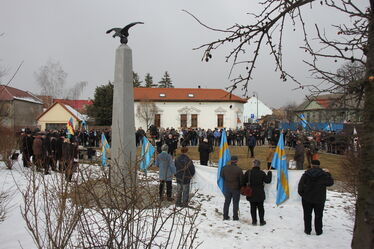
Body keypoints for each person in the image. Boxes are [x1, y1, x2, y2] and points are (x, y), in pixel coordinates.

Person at [298, 160, 334, 235]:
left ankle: (307, 230)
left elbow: (300, 187)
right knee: (319, 215)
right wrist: (328, 173)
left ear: (311, 165)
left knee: (307, 215)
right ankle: (319, 231)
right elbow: (330, 183)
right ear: (319, 165)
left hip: (307, 199)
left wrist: (304, 195)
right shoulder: (324, 174)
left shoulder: (306, 174)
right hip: (319, 199)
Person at [244, 159, 272, 225]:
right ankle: (262, 221)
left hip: (251, 193)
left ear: (253, 164)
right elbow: (268, 181)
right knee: (261, 208)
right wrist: (269, 173)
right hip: (260, 193)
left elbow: (243, 181)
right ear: (259, 165)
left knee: (252, 207)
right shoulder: (262, 173)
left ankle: (254, 221)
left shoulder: (248, 172)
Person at [220, 155, 243, 221]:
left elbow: (222, 175)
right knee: (235, 203)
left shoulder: (224, 168)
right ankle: (235, 217)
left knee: (227, 202)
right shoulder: (239, 169)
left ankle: (225, 216)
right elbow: (241, 180)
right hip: (236, 188)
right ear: (236, 161)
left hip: (227, 187)